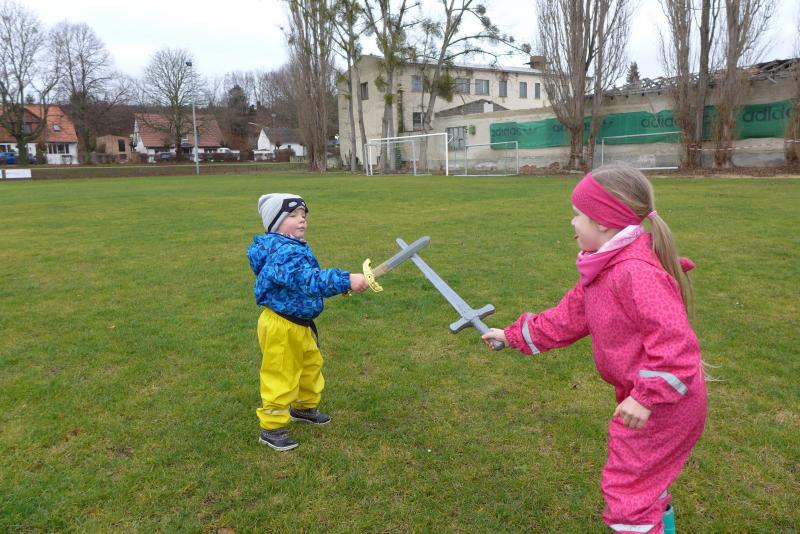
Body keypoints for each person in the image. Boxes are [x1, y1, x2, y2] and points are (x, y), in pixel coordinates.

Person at [482, 164, 706, 533]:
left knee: (628, 492)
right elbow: (566, 318)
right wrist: (512, 335)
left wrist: (646, 398)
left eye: (578, 214)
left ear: (602, 221)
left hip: (665, 404)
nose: (572, 222)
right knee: (644, 480)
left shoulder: (634, 272)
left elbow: (677, 348)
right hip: (652, 396)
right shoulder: (605, 267)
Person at [247, 193, 369, 451]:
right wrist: (345, 280)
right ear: (275, 223)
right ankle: (271, 428)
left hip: (299, 324)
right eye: (292, 215)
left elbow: (307, 282)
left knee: (310, 365)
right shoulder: (282, 253)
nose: (301, 220)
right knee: (281, 373)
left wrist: (343, 286)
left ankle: (303, 408)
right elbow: (308, 280)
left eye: (303, 215)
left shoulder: (293, 246)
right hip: (282, 325)